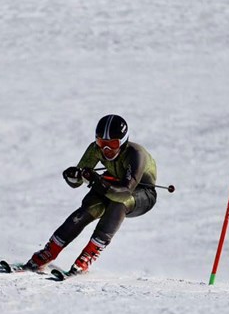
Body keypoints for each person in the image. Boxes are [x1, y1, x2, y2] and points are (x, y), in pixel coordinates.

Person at [24, 114, 158, 275]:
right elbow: (77, 182)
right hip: (112, 185)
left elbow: (125, 192)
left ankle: (88, 255)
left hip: (141, 193)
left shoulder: (136, 154)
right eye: (102, 143)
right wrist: (72, 176)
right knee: (89, 208)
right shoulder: (95, 149)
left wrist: (96, 182)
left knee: (119, 204)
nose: (107, 150)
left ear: (123, 142)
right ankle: (49, 251)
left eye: (113, 144)